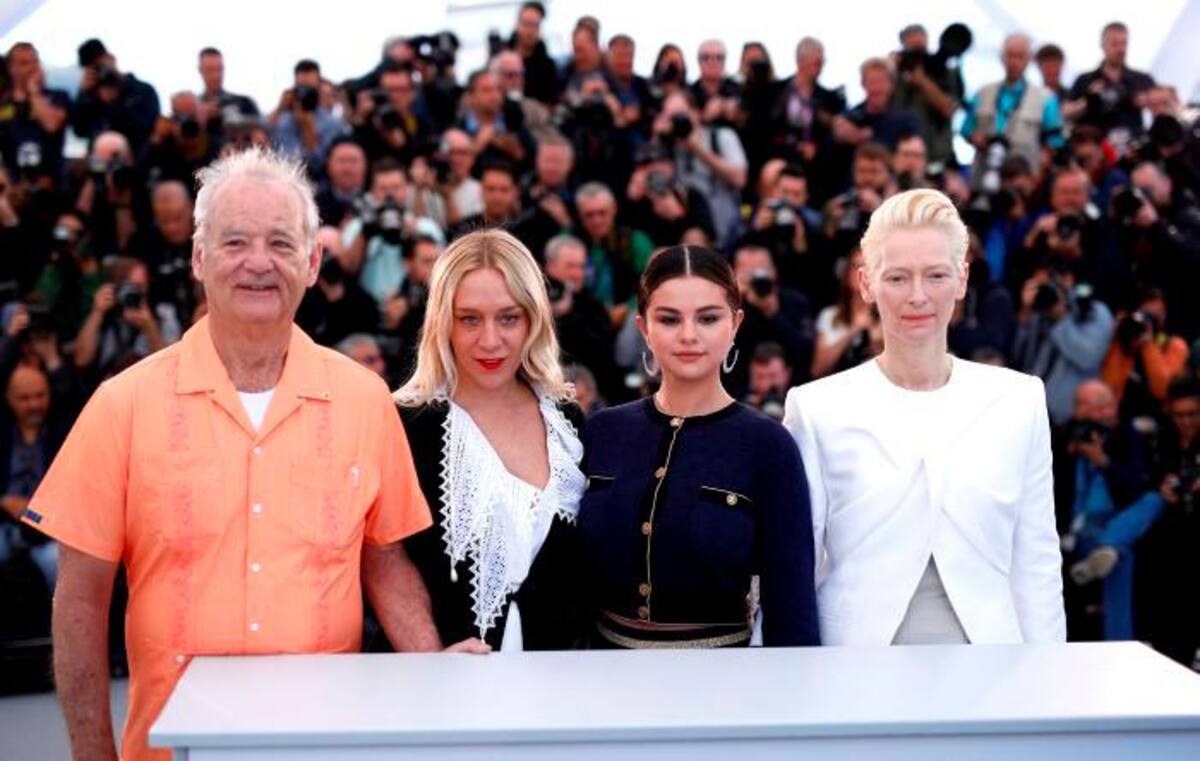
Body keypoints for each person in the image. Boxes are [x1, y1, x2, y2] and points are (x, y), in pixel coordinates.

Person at [20, 146, 479, 761]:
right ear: (198, 258)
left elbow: (385, 559)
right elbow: (79, 597)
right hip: (167, 749)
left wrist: (432, 668)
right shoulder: (121, 404)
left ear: (314, 262)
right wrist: (92, 754)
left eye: (282, 244)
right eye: (235, 242)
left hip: (326, 744)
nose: (258, 263)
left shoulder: (366, 400)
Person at [784, 189, 1065, 646]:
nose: (917, 296)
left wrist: (1048, 682)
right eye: (897, 277)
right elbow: (796, 568)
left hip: (995, 668)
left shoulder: (1019, 400)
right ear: (865, 283)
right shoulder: (817, 409)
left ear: (962, 279)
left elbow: (1036, 562)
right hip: (854, 672)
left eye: (936, 275)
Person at [577, 244, 819, 648]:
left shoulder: (768, 445)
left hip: (723, 689)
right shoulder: (601, 432)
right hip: (601, 685)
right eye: (669, 319)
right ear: (643, 327)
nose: (689, 335)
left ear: (735, 324)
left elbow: (791, 607)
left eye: (708, 318)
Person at [393, 229, 587, 651]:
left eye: (508, 317)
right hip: (438, 693)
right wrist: (427, 656)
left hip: (559, 692)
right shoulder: (404, 423)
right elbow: (382, 558)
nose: (490, 341)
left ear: (534, 318)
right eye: (469, 319)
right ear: (442, 321)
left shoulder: (567, 421)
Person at [961, 33, 1065, 187]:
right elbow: (966, 128)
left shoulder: (1045, 98)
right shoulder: (983, 93)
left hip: (1025, 179)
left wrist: (1044, 163)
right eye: (1009, 56)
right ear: (1002, 57)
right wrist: (975, 138)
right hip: (983, 174)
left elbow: (1055, 141)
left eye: (1019, 56)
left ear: (1028, 60)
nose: (1013, 62)